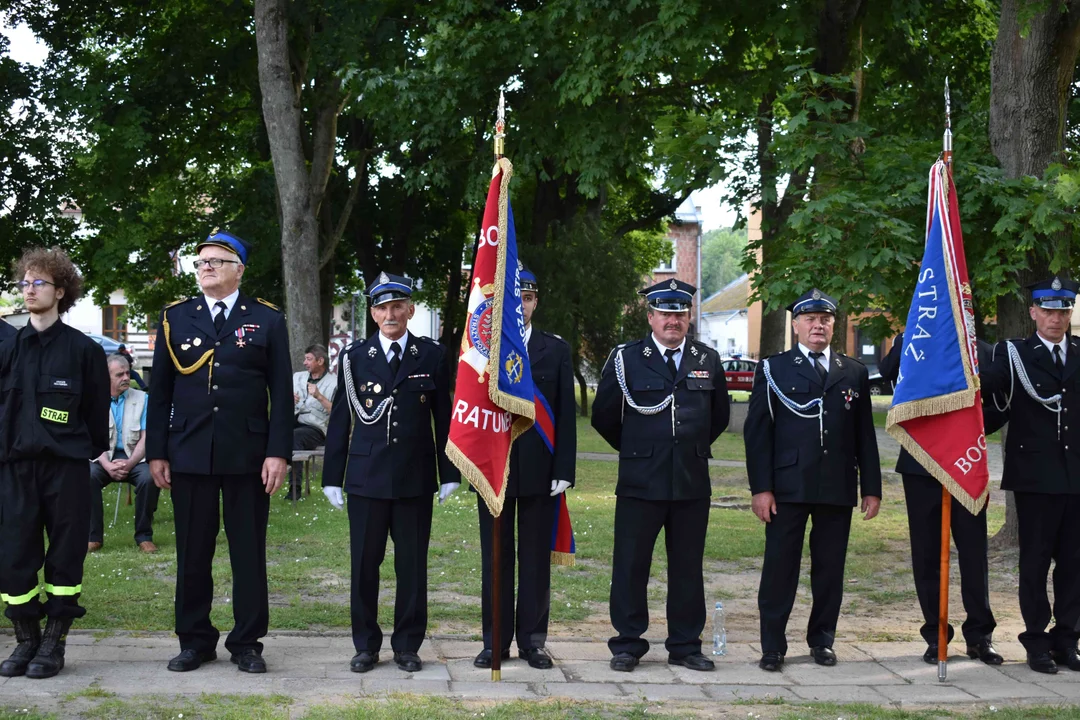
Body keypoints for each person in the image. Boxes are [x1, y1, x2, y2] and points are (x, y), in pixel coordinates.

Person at [146, 230, 292, 674]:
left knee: (248, 550)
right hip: (189, 451)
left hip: (248, 454)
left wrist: (277, 452)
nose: (205, 267)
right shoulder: (176, 317)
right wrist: (157, 451)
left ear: (238, 269)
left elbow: (281, 394)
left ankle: (247, 642)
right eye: (201, 261)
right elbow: (161, 393)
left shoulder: (267, 320)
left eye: (216, 261)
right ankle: (195, 640)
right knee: (192, 551)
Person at [321, 271, 460, 674]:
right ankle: (365, 645)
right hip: (366, 479)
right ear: (372, 313)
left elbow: (443, 417)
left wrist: (448, 471)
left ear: (411, 309)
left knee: (412, 567)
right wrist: (332, 475)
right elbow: (341, 420)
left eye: (398, 305)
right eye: (382, 307)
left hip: (415, 479)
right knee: (365, 566)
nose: (390, 313)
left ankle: (407, 645)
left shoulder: (431, 355)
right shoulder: (354, 358)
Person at [591, 279, 729, 673]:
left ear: (688, 317)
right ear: (650, 316)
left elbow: (716, 417)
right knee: (631, 564)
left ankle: (686, 644)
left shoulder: (707, 359)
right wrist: (639, 448)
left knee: (687, 566)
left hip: (690, 480)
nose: (673, 320)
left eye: (680, 313)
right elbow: (604, 416)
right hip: (640, 480)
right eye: (665, 313)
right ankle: (628, 643)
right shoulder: (627, 358)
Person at [744, 288, 881, 672]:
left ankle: (822, 640)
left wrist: (871, 487)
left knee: (829, 569)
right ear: (796, 324)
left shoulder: (852, 371)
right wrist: (761, 488)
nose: (817, 325)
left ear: (834, 325)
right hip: (787, 487)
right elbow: (758, 435)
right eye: (810, 319)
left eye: (825, 319)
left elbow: (864, 436)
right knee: (779, 570)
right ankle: (773, 646)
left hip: (836, 486)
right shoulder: (774, 369)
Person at [0, 248, 109, 679]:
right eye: (25, 283)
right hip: (14, 469)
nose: (29, 289)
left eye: (38, 282)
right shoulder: (9, 348)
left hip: (65, 469)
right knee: (13, 555)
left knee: (65, 557)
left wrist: (77, 449)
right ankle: (25, 639)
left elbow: (96, 414)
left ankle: (53, 642)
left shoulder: (84, 351)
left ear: (60, 291)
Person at [473, 265, 576, 671]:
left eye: (528, 298)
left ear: (536, 301)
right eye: (514, 299)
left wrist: (564, 468)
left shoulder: (556, 350)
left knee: (534, 560)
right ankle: (494, 641)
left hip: (540, 470)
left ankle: (533, 641)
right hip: (494, 469)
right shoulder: (483, 348)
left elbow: (565, 415)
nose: (522, 305)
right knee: (495, 559)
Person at [879, 333, 1004, 665]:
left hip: (964, 461)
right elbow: (889, 373)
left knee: (973, 551)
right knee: (927, 554)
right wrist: (908, 337)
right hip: (920, 463)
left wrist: (968, 431)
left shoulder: (985, 352)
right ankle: (936, 636)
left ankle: (980, 635)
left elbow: (1002, 403)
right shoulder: (917, 339)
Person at [980, 277, 1080, 674]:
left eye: (1063, 310)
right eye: (1049, 311)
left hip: (1077, 477)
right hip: (1035, 477)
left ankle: (1067, 639)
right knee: (1035, 563)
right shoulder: (1013, 353)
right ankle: (1036, 641)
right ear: (1034, 313)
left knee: (1074, 563)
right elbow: (992, 398)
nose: (1056, 318)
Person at [88, 353, 160, 554]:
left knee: (149, 478)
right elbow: (91, 439)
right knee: (87, 475)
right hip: (103, 459)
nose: (126, 378)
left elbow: (147, 437)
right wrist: (108, 465)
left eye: (128, 372)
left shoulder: (143, 398)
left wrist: (129, 464)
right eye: (120, 374)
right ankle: (93, 537)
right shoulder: (93, 400)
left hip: (136, 458)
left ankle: (144, 536)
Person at [287, 344, 336, 499]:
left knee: (295, 437)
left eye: (309, 359)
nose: (305, 362)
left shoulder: (335, 382)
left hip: (316, 428)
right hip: (294, 419)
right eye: (305, 359)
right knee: (272, 430)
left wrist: (320, 397)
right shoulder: (297, 377)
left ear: (320, 361)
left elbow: (337, 413)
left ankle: (294, 489)